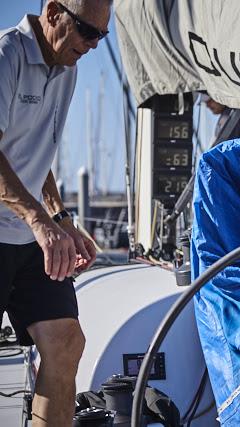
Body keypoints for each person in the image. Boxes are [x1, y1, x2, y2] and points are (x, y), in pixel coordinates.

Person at [0, 0, 110, 425]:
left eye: (102, 35)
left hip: (28, 236)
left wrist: (61, 218)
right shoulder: (7, 55)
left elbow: (36, 152)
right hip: (21, 228)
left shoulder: (69, 66)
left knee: (65, 342)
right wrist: (40, 221)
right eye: (86, 30)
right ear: (52, 12)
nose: (94, 44)